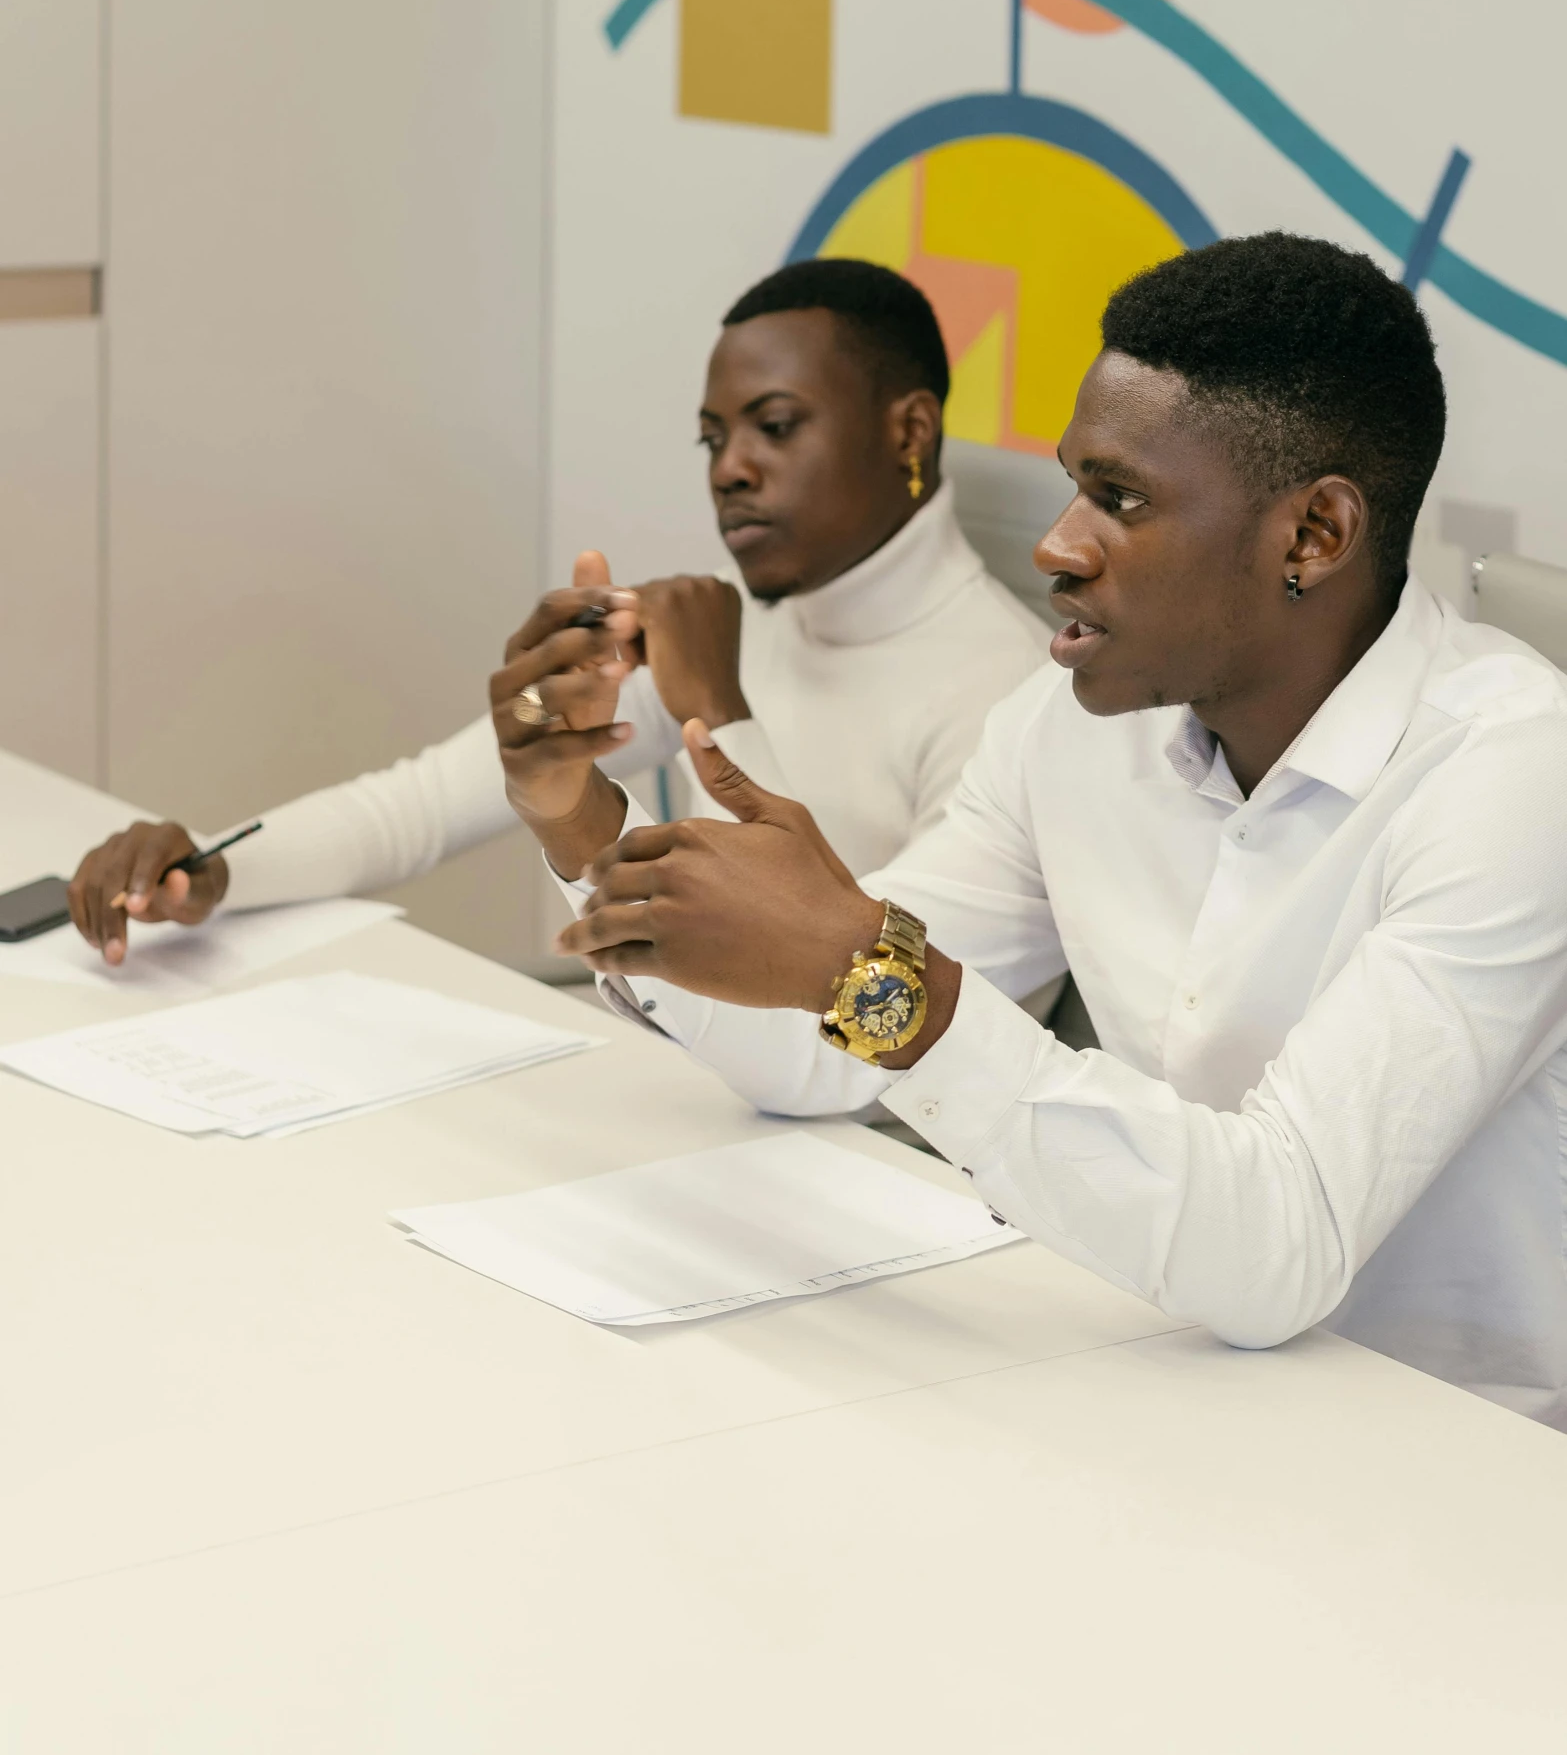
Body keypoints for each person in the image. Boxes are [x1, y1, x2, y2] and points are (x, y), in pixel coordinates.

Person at [550, 234, 1567, 1428]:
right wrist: (575, 811)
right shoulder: (1072, 725)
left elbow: (1277, 1244)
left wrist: (876, 975)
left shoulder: (1511, 777)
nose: (1056, 544)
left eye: (1120, 499)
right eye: (1075, 485)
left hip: (1458, 1467)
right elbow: (810, 1057)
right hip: (1147, 1381)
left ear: (1312, 535)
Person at [67, 260, 1050, 966]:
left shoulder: (1006, 695)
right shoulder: (747, 616)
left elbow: (853, 1027)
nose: (729, 469)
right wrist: (210, 866)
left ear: (909, 429)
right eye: (711, 438)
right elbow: (418, 805)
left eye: (774, 426)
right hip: (699, 1113)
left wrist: (714, 702)